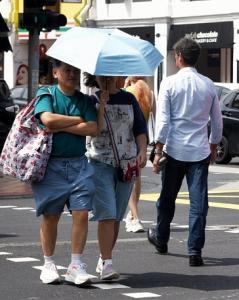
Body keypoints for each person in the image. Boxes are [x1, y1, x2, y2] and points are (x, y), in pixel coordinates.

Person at [147, 37, 223, 267]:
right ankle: (194, 251)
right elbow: (217, 121)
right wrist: (213, 145)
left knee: (167, 199)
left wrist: (158, 151)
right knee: (198, 204)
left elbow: (163, 121)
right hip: (199, 151)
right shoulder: (208, 84)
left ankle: (161, 238)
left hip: (174, 149)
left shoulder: (169, 83)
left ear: (179, 57)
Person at [32, 59, 98, 285]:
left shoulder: (85, 99)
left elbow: (94, 128)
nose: (72, 74)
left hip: (79, 164)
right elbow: (47, 119)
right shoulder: (46, 93)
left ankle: (76, 265)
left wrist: (60, 125)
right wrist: (77, 120)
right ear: (55, 72)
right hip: (51, 165)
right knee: (51, 216)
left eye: (75, 70)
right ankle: (48, 263)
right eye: (67, 70)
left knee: (81, 213)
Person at [84, 74, 148, 280]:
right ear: (96, 78)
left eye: (111, 76)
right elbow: (95, 130)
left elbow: (139, 128)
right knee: (108, 214)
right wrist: (101, 107)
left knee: (117, 216)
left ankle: (104, 259)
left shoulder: (129, 99)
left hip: (126, 164)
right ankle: (108, 263)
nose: (108, 80)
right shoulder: (90, 101)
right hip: (99, 163)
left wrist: (143, 150)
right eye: (103, 76)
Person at [123, 76, 153, 233]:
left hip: (128, 139)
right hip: (143, 138)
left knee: (129, 180)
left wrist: (124, 86)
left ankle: (135, 217)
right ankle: (132, 214)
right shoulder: (150, 94)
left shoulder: (128, 92)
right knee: (137, 178)